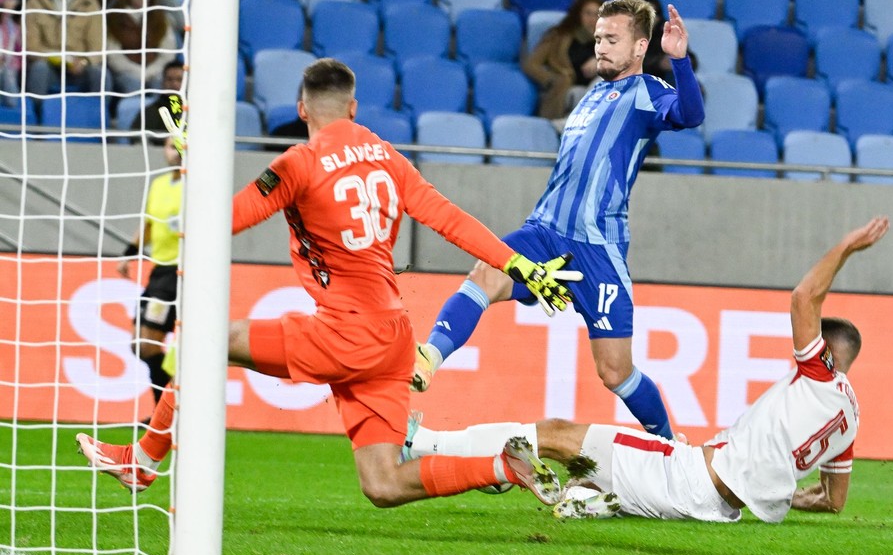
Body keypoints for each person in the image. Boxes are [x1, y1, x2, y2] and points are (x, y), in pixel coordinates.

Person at [77, 58, 582, 508]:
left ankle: (143, 459)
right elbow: (451, 220)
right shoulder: (388, 156)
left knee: (207, 342)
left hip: (345, 332)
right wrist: (517, 264)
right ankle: (502, 467)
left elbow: (222, 221)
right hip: (393, 338)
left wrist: (196, 162)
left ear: (302, 109)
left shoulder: (299, 163)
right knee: (383, 484)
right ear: (353, 108)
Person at [407, 217, 890, 522]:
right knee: (594, 470)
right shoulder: (849, 420)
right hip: (720, 509)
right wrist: (782, 497)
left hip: (690, 475)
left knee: (555, 434)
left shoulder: (820, 373)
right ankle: (589, 500)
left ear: (828, 352)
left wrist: (846, 248)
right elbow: (833, 500)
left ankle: (423, 442)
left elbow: (805, 297)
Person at [413, 0, 705, 441]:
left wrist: (679, 61)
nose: (600, 46)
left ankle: (669, 446)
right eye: (598, 38)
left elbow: (690, 115)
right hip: (545, 231)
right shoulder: (590, 95)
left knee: (614, 372)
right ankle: (428, 358)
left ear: (640, 46)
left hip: (597, 248)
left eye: (612, 39)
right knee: (485, 274)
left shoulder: (647, 92)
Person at [116, 139, 183, 410]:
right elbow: (148, 224)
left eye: (181, 146)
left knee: (146, 345)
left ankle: (166, 413)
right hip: (159, 272)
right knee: (138, 344)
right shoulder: (159, 185)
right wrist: (129, 253)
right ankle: (169, 411)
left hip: (179, 273)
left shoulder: (197, 186)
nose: (176, 151)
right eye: (170, 146)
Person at [24, 0, 106, 99]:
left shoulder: (90, 5)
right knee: (38, 69)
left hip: (79, 69)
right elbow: (31, 45)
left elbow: (97, 47)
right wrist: (55, 59)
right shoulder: (34, 3)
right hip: (49, 66)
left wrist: (84, 62)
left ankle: (98, 113)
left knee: (100, 74)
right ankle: (37, 112)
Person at [522, 0, 603, 120]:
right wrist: (552, 80)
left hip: (594, 92)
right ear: (578, 14)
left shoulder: (606, 42)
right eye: (588, 13)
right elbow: (531, 64)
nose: (592, 19)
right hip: (567, 93)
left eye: (596, 15)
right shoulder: (558, 37)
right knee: (583, 94)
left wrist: (599, 61)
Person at [106, 0, 179, 95]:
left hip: (156, 72)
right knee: (134, 86)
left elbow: (168, 54)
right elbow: (114, 56)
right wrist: (138, 73)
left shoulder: (162, 18)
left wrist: (150, 72)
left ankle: (171, 108)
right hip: (125, 73)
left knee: (165, 85)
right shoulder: (113, 19)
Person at [129, 59, 184, 142]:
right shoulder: (150, 112)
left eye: (179, 80)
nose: (174, 84)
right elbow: (136, 139)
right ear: (163, 82)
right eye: (169, 79)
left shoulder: (195, 113)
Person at [0, 0, 21, 106]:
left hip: (8, 72)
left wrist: (12, 63)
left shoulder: (13, 28)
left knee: (7, 73)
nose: (15, 3)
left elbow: (20, 54)